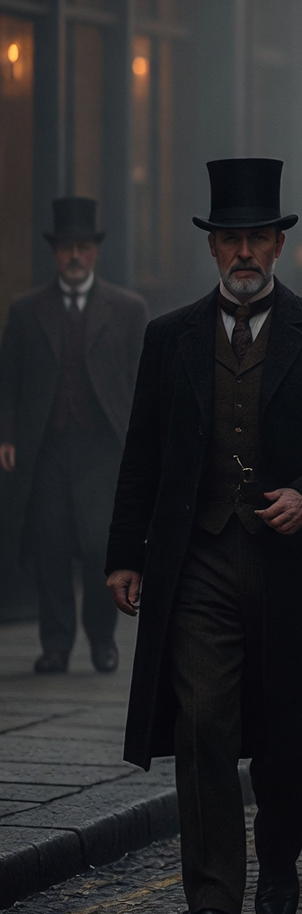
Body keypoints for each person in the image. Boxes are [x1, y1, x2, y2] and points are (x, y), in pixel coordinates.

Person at [104, 160, 302, 914]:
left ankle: (282, 853)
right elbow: (143, 455)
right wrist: (126, 555)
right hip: (198, 561)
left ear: (278, 244)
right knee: (201, 723)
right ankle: (214, 906)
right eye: (230, 238)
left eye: (257, 237)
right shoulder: (170, 338)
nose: (243, 252)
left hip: (294, 567)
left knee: (288, 732)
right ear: (213, 248)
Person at [0, 198, 147, 674]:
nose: (75, 256)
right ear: (55, 254)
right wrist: (7, 434)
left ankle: (103, 641)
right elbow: (8, 378)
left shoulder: (127, 308)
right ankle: (56, 645)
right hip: (45, 446)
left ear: (96, 251)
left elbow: (142, 380)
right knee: (49, 545)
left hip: (104, 448)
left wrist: (141, 443)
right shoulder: (25, 310)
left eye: (83, 247)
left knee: (100, 548)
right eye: (67, 248)